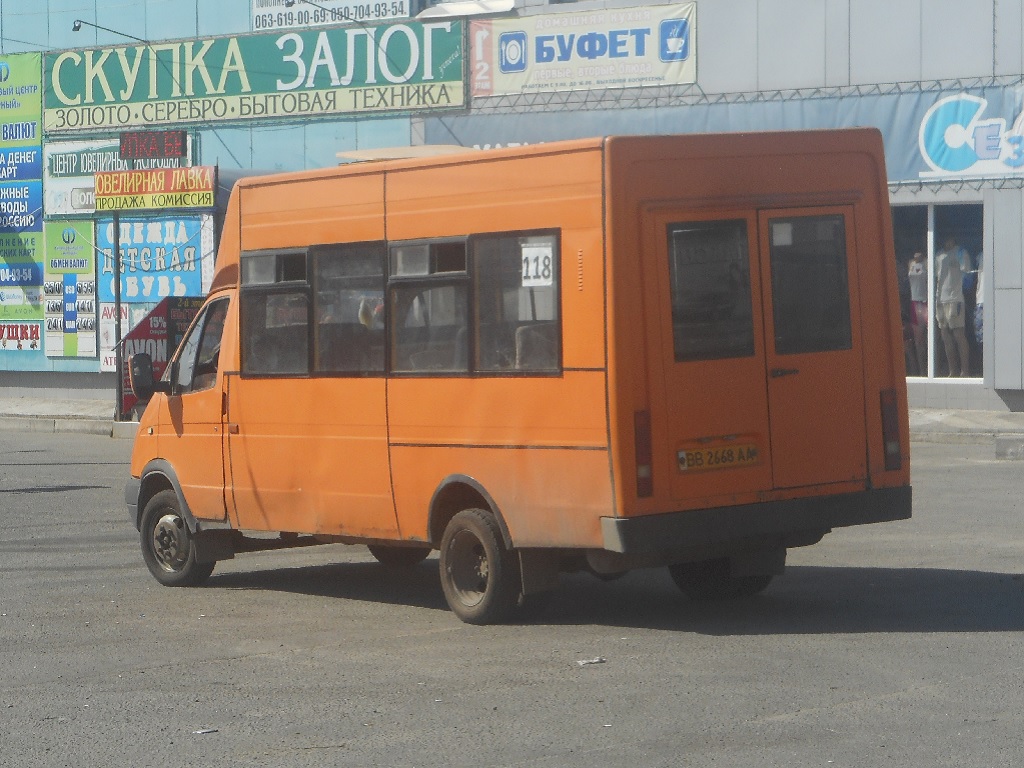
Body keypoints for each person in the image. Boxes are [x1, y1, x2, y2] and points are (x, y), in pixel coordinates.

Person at [934, 236, 972, 377]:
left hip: (955, 299)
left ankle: (965, 371)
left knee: (958, 335)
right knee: (945, 336)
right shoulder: (938, 255)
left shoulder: (961, 252)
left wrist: (962, 294)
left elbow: (968, 277)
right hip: (940, 300)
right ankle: (952, 370)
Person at [907, 251, 928, 375]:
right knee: (918, 340)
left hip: (926, 302)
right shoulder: (911, 263)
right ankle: (921, 371)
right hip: (915, 303)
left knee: (931, 338)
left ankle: (933, 368)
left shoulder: (927, 263)